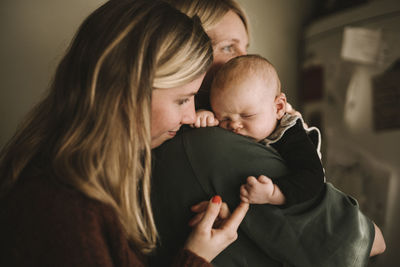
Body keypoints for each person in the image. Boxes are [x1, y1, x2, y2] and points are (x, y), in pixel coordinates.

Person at [0, 1, 250, 266]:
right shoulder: (61, 209)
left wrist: (189, 241)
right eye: (182, 100)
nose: (190, 117)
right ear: (127, 92)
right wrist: (195, 258)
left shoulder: (101, 185)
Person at [151, 0, 385, 266]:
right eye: (228, 47)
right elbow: (373, 241)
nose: (241, 59)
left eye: (245, 47)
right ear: (186, 55)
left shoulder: (178, 143)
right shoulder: (211, 144)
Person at [194, 54, 325, 207]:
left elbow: (313, 178)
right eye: (224, 118)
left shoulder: (291, 134)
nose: (234, 125)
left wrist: (273, 194)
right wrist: (207, 117)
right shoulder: (238, 122)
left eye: (247, 115)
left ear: (278, 107)